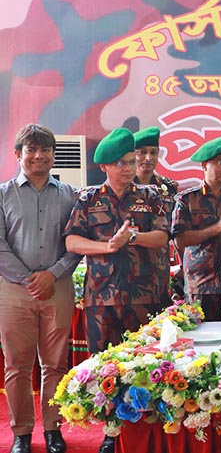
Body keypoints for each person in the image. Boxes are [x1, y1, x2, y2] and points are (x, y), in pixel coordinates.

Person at [63, 128, 169, 453]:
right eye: (121, 162)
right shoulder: (88, 198)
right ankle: (111, 432)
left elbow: (162, 238)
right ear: (104, 166)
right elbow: (71, 241)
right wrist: (107, 246)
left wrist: (132, 237)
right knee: (105, 367)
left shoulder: (151, 197)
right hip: (101, 298)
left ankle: (144, 433)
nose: (129, 167)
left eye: (131, 161)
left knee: (145, 366)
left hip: (144, 297)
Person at [0, 124, 80, 453]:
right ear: (18, 155)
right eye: (31, 150)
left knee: (56, 364)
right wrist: (28, 279)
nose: (39, 156)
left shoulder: (70, 194)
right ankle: (21, 433)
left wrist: (53, 274)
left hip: (57, 288)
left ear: (53, 155)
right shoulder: (3, 194)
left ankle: (52, 429)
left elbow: (76, 243)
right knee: (17, 365)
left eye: (45, 150)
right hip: (13, 290)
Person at [171, 136, 221, 321]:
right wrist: (218, 227)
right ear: (204, 166)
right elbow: (180, 240)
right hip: (201, 284)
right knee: (201, 333)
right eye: (220, 162)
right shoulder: (188, 199)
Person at [133, 126, 179, 302]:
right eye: (142, 152)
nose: (148, 158)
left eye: (153, 152)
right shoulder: (122, 186)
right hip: (128, 271)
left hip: (158, 270)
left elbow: (176, 229)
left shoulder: (169, 188)